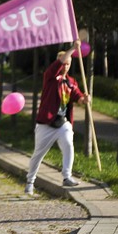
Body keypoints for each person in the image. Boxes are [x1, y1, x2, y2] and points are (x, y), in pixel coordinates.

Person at [25, 40, 91, 195]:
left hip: (62, 123)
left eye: (68, 64)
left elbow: (78, 96)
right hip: (46, 123)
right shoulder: (49, 77)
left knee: (69, 144)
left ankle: (67, 176)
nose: (65, 67)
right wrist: (72, 49)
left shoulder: (71, 81)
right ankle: (30, 181)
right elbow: (59, 63)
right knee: (38, 154)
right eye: (63, 63)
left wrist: (84, 99)